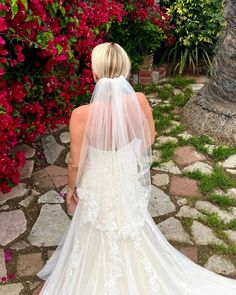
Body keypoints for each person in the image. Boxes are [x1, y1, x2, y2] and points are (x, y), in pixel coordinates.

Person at [36, 42, 236, 294]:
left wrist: (71, 190)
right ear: (125, 68)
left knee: (96, 224)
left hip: (97, 180)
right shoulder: (139, 100)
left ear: (95, 73)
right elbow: (149, 138)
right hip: (125, 175)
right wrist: (125, 153)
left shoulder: (81, 114)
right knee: (128, 222)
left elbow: (76, 162)